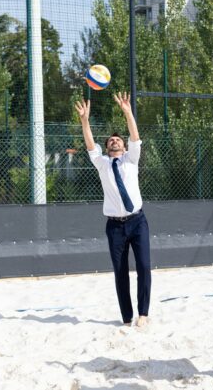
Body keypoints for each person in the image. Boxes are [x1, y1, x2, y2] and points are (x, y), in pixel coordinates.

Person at [75, 92, 151, 327]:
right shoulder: (103, 163)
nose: (115, 141)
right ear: (107, 147)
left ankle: (143, 315)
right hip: (115, 226)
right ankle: (127, 318)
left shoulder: (131, 159)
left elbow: (135, 137)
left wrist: (128, 111)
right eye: (111, 141)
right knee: (120, 273)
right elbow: (90, 144)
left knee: (144, 267)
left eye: (118, 140)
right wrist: (84, 120)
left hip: (138, 221)